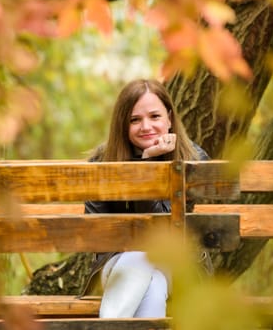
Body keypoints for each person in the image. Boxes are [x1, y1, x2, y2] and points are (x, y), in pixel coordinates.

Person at [82, 78, 209, 318]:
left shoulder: (193, 159)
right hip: (118, 266)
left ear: (169, 118)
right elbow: (97, 237)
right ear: (122, 125)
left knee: (145, 261)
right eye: (135, 120)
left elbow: (161, 237)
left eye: (155, 116)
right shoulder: (102, 162)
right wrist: (148, 161)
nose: (146, 126)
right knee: (149, 276)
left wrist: (148, 164)